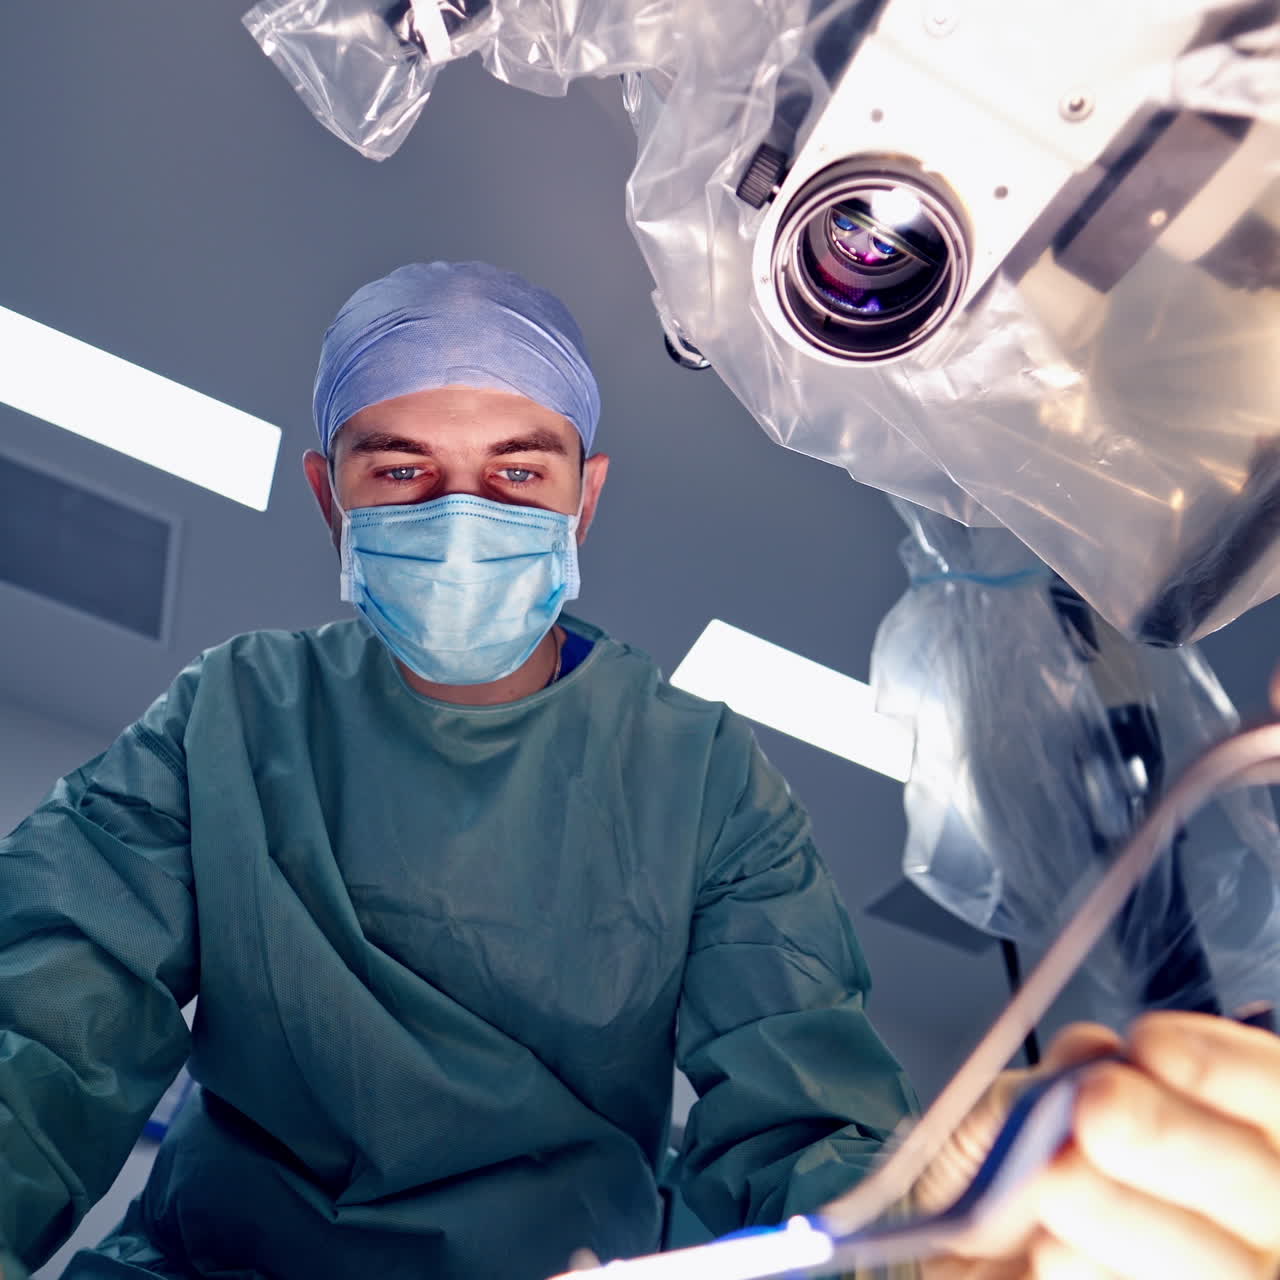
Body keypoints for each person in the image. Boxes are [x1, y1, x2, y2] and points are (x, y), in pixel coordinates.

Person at [0, 262, 1276, 1280]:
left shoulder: (702, 776)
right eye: (402, 470)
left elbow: (797, 1119)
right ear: (331, 496)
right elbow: (41, 1024)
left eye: (517, 471)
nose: (462, 513)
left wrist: (920, 1233)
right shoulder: (230, 715)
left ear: (584, 497)